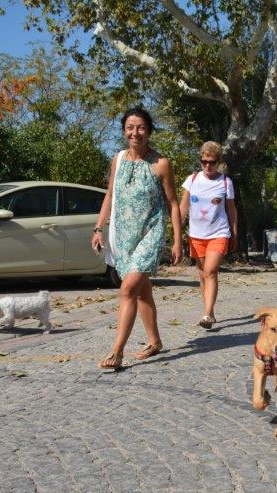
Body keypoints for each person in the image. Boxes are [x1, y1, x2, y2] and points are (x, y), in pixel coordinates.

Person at [91, 107, 182, 369]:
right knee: (142, 291)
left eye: (141, 127)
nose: (135, 133)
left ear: (149, 131)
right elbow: (109, 195)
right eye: (130, 128)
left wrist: (177, 241)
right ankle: (155, 341)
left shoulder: (161, 164)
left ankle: (117, 351)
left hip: (150, 235)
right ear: (124, 131)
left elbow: (173, 203)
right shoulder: (118, 160)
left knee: (128, 288)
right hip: (124, 237)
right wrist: (99, 228)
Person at [179, 141, 237, 329]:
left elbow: (231, 209)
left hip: (218, 232)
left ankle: (207, 314)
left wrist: (234, 232)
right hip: (196, 234)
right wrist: (177, 232)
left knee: (211, 271)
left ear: (218, 162)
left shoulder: (226, 182)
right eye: (204, 161)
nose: (207, 165)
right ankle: (209, 312)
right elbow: (183, 207)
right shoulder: (192, 179)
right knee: (203, 274)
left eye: (211, 162)